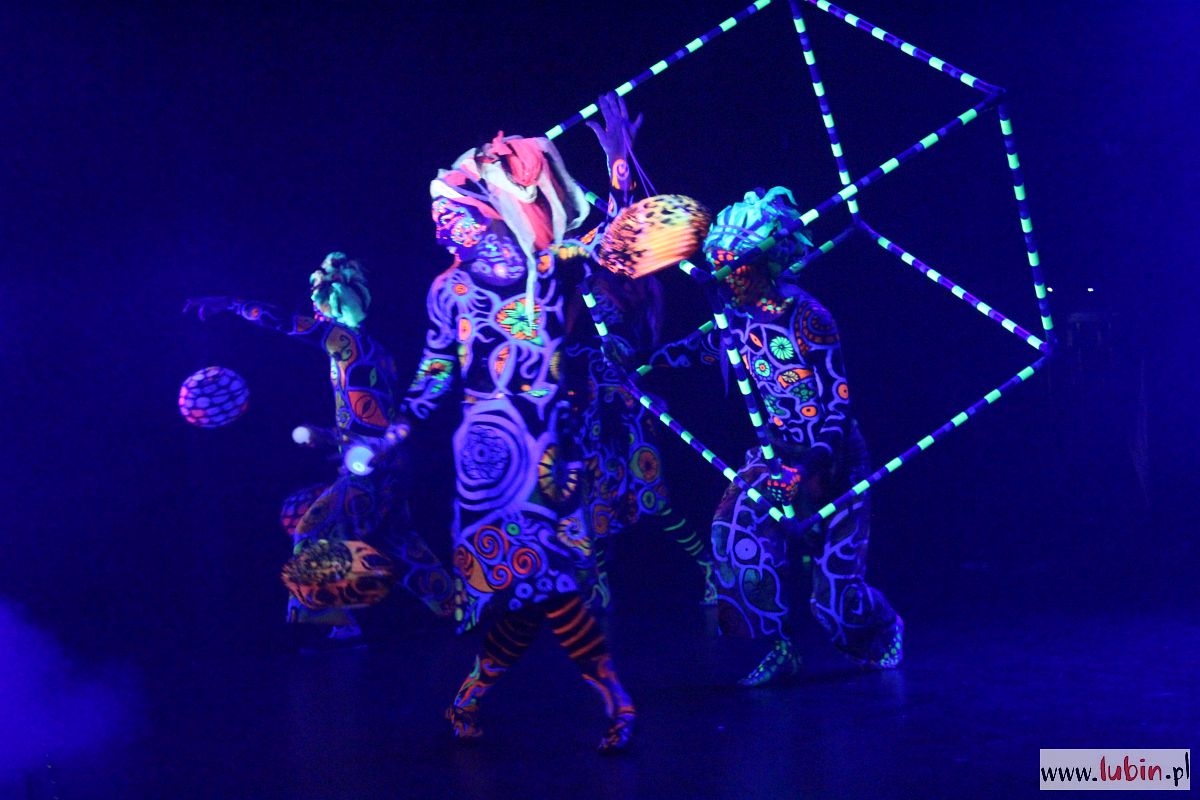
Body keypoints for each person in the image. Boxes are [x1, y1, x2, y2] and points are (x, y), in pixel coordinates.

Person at [402, 119, 637, 752]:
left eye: (453, 213)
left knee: (543, 583)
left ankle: (613, 700)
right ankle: (475, 701)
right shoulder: (448, 288)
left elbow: (620, 241)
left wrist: (618, 164)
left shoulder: (550, 267)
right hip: (482, 456)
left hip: (545, 447)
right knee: (530, 589)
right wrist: (393, 430)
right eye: (440, 217)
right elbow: (433, 371)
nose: (444, 226)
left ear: (491, 212)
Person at [650, 187, 903, 685]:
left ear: (764, 264)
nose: (724, 278)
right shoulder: (734, 318)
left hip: (832, 462)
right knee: (733, 536)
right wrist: (640, 364)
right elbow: (693, 350)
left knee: (835, 598)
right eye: (718, 267)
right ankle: (778, 645)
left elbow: (837, 406)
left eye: (734, 268)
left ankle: (881, 628)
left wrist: (807, 470)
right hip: (774, 455)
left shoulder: (808, 317)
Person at [184, 253, 454, 644]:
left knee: (312, 531)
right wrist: (330, 437)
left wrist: (230, 303)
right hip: (391, 461)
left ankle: (331, 620)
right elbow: (373, 414)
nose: (313, 304)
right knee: (400, 541)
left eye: (318, 294)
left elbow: (282, 321)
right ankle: (453, 608)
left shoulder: (342, 339)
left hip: (376, 465)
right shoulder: (376, 351)